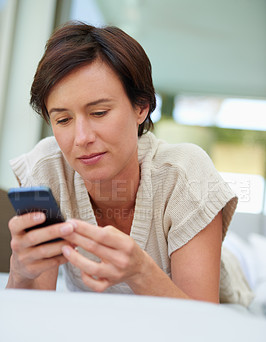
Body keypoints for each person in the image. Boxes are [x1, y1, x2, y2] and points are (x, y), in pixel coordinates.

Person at [6, 21, 253, 305]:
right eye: (63, 120)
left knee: (248, 258)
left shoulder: (185, 174)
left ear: (141, 107)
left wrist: (140, 271)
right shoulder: (46, 169)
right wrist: (20, 272)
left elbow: (201, 322)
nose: (81, 138)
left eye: (99, 112)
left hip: (226, 302)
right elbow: (33, 313)